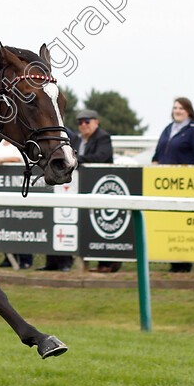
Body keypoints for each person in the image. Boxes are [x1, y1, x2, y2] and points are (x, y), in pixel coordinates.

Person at [152, 97, 194, 273]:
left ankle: (183, 263)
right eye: (175, 107)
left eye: (181, 108)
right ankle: (172, 260)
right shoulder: (168, 129)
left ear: (189, 111)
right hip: (164, 184)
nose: (177, 111)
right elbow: (157, 154)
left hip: (184, 186)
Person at [61, 110, 116, 272]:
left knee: (103, 225)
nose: (83, 125)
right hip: (80, 187)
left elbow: (100, 157)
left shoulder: (103, 137)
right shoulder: (77, 139)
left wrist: (75, 160)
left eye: (86, 121)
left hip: (101, 186)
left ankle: (106, 262)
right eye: (80, 122)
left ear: (96, 122)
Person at [0, 141, 32, 270]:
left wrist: (0, 161)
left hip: (17, 188)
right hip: (0, 189)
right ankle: (9, 258)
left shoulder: (17, 144)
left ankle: (26, 259)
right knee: (5, 223)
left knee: (20, 223)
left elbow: (18, 159)